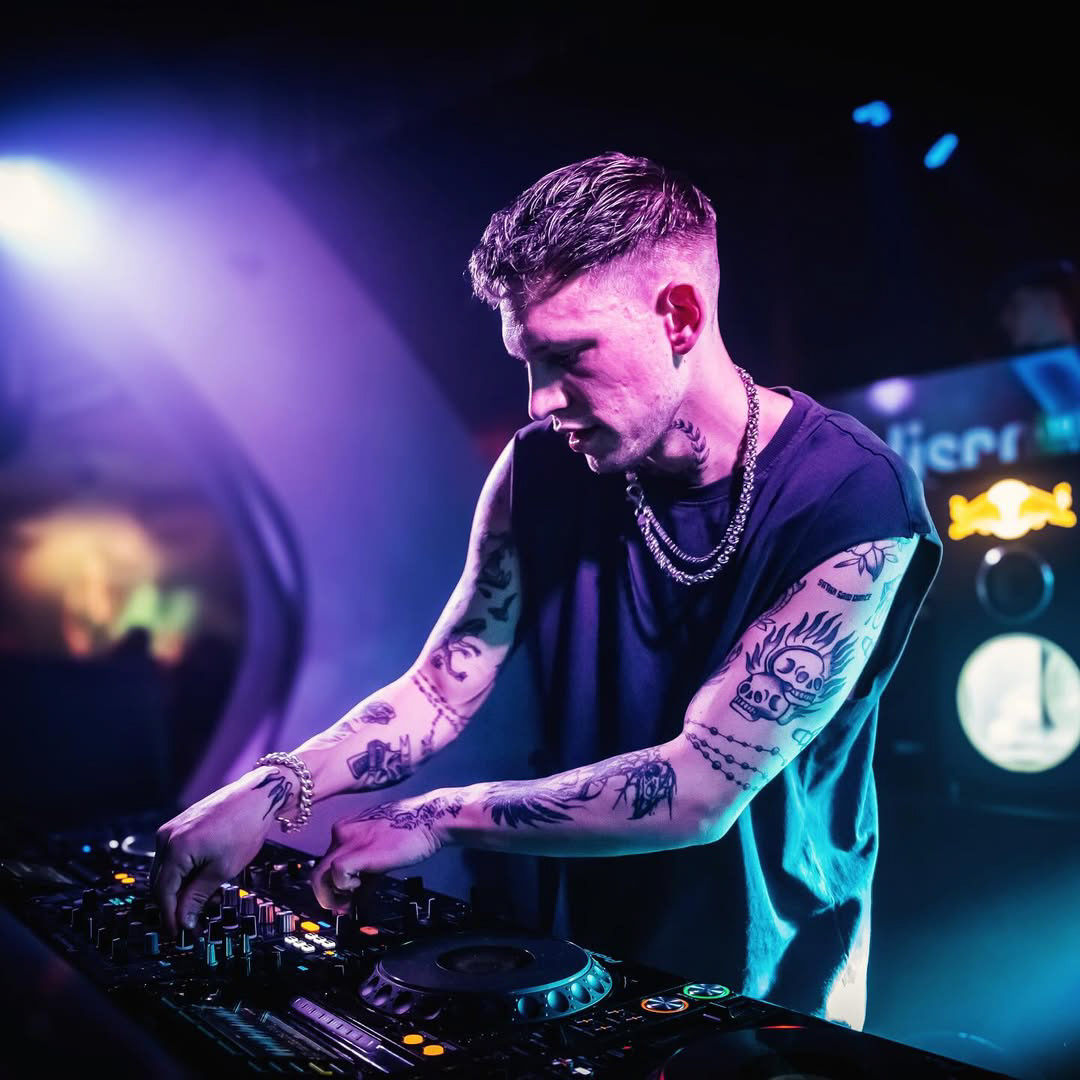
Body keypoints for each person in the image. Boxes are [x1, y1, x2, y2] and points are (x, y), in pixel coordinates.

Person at [151, 151, 942, 1030]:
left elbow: (699, 788)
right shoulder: (538, 470)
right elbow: (437, 692)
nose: (539, 401)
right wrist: (268, 790)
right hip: (579, 957)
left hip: (772, 989)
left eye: (567, 356)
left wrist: (439, 817)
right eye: (528, 361)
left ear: (679, 316)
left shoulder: (853, 498)